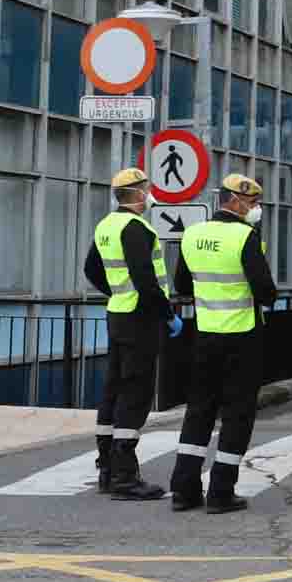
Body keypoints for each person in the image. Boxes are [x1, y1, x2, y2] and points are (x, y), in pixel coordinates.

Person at [168, 173, 276, 514]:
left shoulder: (193, 233)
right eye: (253, 203)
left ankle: (184, 490)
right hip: (241, 338)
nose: (256, 209)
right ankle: (220, 492)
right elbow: (265, 291)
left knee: (199, 411)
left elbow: (182, 283)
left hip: (203, 336)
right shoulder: (246, 237)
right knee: (237, 415)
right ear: (235, 201)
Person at [84, 166, 173, 501]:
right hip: (139, 319)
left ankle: (107, 467)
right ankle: (124, 475)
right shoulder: (137, 228)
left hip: (118, 314)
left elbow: (91, 268)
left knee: (113, 389)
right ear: (137, 194)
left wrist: (116, 292)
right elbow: (146, 278)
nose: (149, 193)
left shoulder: (107, 225)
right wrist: (167, 314)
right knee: (135, 393)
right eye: (146, 188)